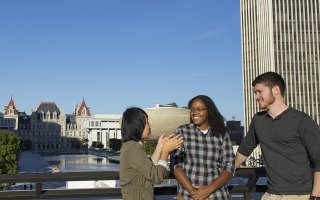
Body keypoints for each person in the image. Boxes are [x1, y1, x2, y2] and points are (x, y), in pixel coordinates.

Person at [235, 72, 320, 200]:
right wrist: (226, 172)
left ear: (275, 90)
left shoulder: (302, 121)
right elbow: (245, 149)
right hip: (271, 194)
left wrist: (315, 196)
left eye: (259, 92)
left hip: (300, 195)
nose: (257, 97)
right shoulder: (259, 120)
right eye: (255, 93)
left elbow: (318, 160)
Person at [171, 95, 235, 200]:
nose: (195, 112)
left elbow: (229, 167)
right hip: (189, 196)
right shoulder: (182, 132)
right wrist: (195, 194)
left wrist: (208, 190)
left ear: (209, 111)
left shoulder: (221, 134)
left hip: (217, 195)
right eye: (192, 109)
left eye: (200, 109)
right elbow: (176, 166)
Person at [119, 107, 184, 200]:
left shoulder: (131, 146)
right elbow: (156, 176)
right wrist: (165, 152)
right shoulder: (133, 147)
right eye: (147, 123)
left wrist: (159, 147)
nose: (149, 126)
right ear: (138, 125)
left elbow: (147, 169)